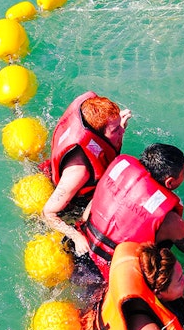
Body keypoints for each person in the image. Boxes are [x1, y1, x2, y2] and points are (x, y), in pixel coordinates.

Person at [80, 143, 184, 279]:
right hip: (110, 275)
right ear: (170, 182)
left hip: (80, 251)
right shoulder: (170, 221)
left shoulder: (119, 170)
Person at [41, 92, 131, 252]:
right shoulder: (79, 171)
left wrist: (117, 125)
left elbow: (101, 144)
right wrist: (76, 236)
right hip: (71, 206)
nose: (122, 131)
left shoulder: (91, 125)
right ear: (97, 134)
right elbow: (47, 213)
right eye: (116, 129)